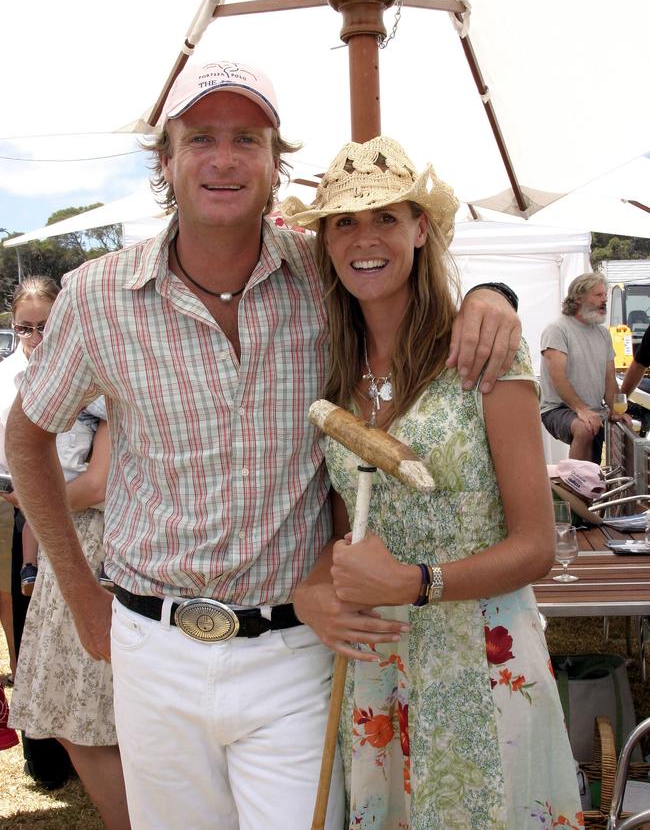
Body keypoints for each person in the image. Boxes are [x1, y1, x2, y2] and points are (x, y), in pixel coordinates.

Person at [5, 61, 521, 830]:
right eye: (201, 138)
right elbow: (26, 438)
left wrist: (493, 297)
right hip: (155, 646)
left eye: (247, 138)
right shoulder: (96, 294)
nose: (223, 158)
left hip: (295, 649)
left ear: (277, 161)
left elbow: (416, 278)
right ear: (167, 161)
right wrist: (81, 593)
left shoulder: (324, 272)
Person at [282, 136, 584, 829]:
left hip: (486, 656)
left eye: (386, 217)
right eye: (345, 221)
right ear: (325, 240)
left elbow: (538, 545)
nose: (366, 238)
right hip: (378, 664)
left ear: (422, 229)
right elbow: (342, 537)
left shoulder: (483, 351)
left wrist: (417, 582)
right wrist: (314, 589)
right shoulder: (331, 370)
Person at [9, 402, 130, 830]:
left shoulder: (114, 378)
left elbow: (99, 485)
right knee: (75, 717)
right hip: (78, 544)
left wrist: (34, 495)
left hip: (95, 547)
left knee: (83, 716)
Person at [0, 276, 73, 789]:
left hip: (79, 514)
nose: (33, 338)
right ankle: (41, 755)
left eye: (43, 327)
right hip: (15, 514)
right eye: (24, 328)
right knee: (26, 631)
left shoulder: (81, 370)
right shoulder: (6, 376)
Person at [540, 272, 618, 463]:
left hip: (594, 411)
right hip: (558, 409)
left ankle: (596, 488)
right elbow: (558, 377)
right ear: (578, 297)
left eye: (605, 295)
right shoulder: (557, 329)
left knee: (620, 431)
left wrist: (618, 410)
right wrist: (582, 410)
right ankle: (574, 486)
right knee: (584, 429)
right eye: (598, 295)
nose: (604, 300)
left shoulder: (604, 334)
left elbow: (610, 381)